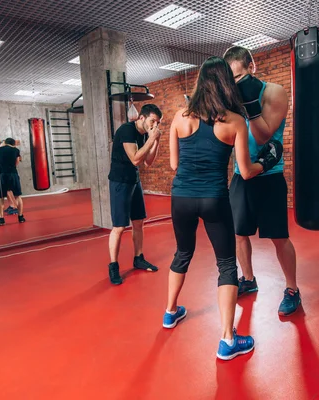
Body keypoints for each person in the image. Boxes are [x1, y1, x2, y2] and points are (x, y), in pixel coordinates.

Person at [164, 56, 283, 361]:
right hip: (215, 199)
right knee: (227, 266)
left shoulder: (180, 116)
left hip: (181, 199)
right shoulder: (234, 121)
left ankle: (170, 312)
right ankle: (227, 340)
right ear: (227, 84)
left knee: (182, 253)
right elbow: (245, 171)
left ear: (200, 83)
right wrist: (266, 161)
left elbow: (175, 164)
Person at [223, 46, 300, 316]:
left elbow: (264, 136)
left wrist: (249, 105)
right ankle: (248, 279)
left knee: (279, 236)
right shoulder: (229, 98)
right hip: (241, 177)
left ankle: (292, 289)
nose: (236, 84)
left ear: (252, 67)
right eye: (231, 80)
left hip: (269, 176)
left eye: (240, 76)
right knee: (239, 233)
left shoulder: (274, 92)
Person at [107, 104, 163, 285]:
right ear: (141, 118)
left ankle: (138, 257)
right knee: (119, 227)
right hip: (119, 181)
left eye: (158, 122)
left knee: (139, 222)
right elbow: (136, 158)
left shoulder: (146, 134)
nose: (155, 124)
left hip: (134, 181)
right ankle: (113, 266)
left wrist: (156, 140)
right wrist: (151, 139)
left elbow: (148, 162)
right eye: (152, 120)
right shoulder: (126, 131)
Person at [0, 138, 25, 226]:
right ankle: (21, 217)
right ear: (12, 144)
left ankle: (1, 219)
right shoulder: (16, 150)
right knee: (17, 196)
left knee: (0, 198)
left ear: (5, 143)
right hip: (13, 174)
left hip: (1, 175)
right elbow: (17, 162)